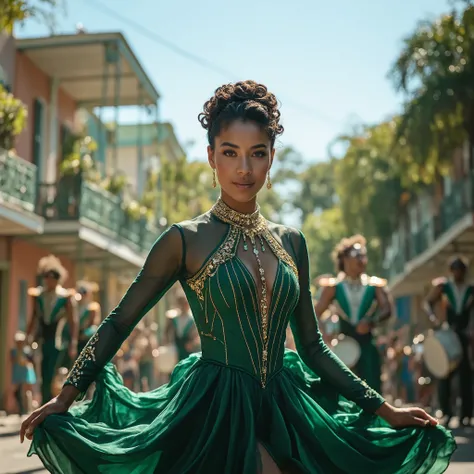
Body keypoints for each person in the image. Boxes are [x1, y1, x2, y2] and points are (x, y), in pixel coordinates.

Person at [21, 80, 455, 473]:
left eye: (257, 153)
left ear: (271, 157)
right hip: (216, 408)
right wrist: (65, 396)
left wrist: (386, 411)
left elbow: (313, 346)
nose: (244, 168)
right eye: (229, 152)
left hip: (287, 405)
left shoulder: (293, 242)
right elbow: (119, 320)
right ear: (211, 156)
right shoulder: (184, 240)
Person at [314, 236, 390, 394]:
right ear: (345, 259)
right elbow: (316, 313)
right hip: (343, 345)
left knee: (372, 388)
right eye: (357, 256)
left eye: (364, 256)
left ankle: (374, 418)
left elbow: (386, 309)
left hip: (368, 343)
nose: (362, 260)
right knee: (343, 389)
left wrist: (371, 321)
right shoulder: (333, 287)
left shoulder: (374, 285)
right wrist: (325, 335)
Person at [423, 256, 474, 427]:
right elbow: (428, 302)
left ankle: (466, 414)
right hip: (448, 333)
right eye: (455, 269)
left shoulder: (470, 289)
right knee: (444, 373)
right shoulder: (444, 287)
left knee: (465, 374)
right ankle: (446, 411)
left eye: (461, 270)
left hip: (464, 334)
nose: (458, 273)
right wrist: (434, 319)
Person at [26, 255, 78, 404]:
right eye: (46, 277)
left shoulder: (65, 297)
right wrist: (28, 338)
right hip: (42, 340)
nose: (48, 281)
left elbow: (73, 321)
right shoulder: (39, 295)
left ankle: (54, 404)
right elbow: (34, 318)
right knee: (42, 375)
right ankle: (44, 403)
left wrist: (73, 343)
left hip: (59, 341)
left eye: (52, 277)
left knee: (54, 375)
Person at [164, 289, 200, 362]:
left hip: (188, 349)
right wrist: (167, 343)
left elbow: (197, 336)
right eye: (181, 303)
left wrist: (192, 343)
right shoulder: (174, 318)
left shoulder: (192, 319)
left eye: (185, 303)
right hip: (176, 348)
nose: (183, 305)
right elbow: (167, 332)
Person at [11, 331, 36, 416]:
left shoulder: (27, 351)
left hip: (26, 373)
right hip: (17, 373)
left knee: (26, 391)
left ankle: (27, 409)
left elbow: (31, 361)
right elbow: (13, 360)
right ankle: (20, 409)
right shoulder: (14, 351)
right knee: (17, 392)